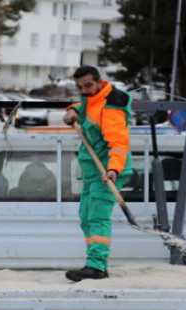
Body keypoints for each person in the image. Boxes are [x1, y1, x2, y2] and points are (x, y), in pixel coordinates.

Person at [63, 66, 133, 282]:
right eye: (79, 87)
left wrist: (114, 168)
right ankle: (93, 263)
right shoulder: (92, 98)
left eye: (88, 86)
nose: (84, 91)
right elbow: (85, 106)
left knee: (97, 217)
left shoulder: (111, 105)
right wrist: (73, 110)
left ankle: (97, 266)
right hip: (93, 171)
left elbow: (119, 142)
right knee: (85, 217)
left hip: (108, 170)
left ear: (100, 82)